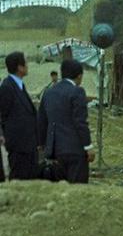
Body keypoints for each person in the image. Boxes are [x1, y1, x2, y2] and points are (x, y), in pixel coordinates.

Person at [37, 59, 94, 183]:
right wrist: (88, 146)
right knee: (77, 189)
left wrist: (42, 146)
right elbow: (80, 122)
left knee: (59, 191)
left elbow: (41, 122)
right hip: (75, 151)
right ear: (79, 76)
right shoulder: (77, 91)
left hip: (55, 151)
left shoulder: (48, 93)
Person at [0, 52, 40, 180]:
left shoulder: (20, 86)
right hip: (18, 147)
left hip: (29, 146)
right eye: (26, 63)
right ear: (20, 67)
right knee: (19, 182)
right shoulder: (7, 87)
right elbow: (2, 115)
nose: (28, 66)